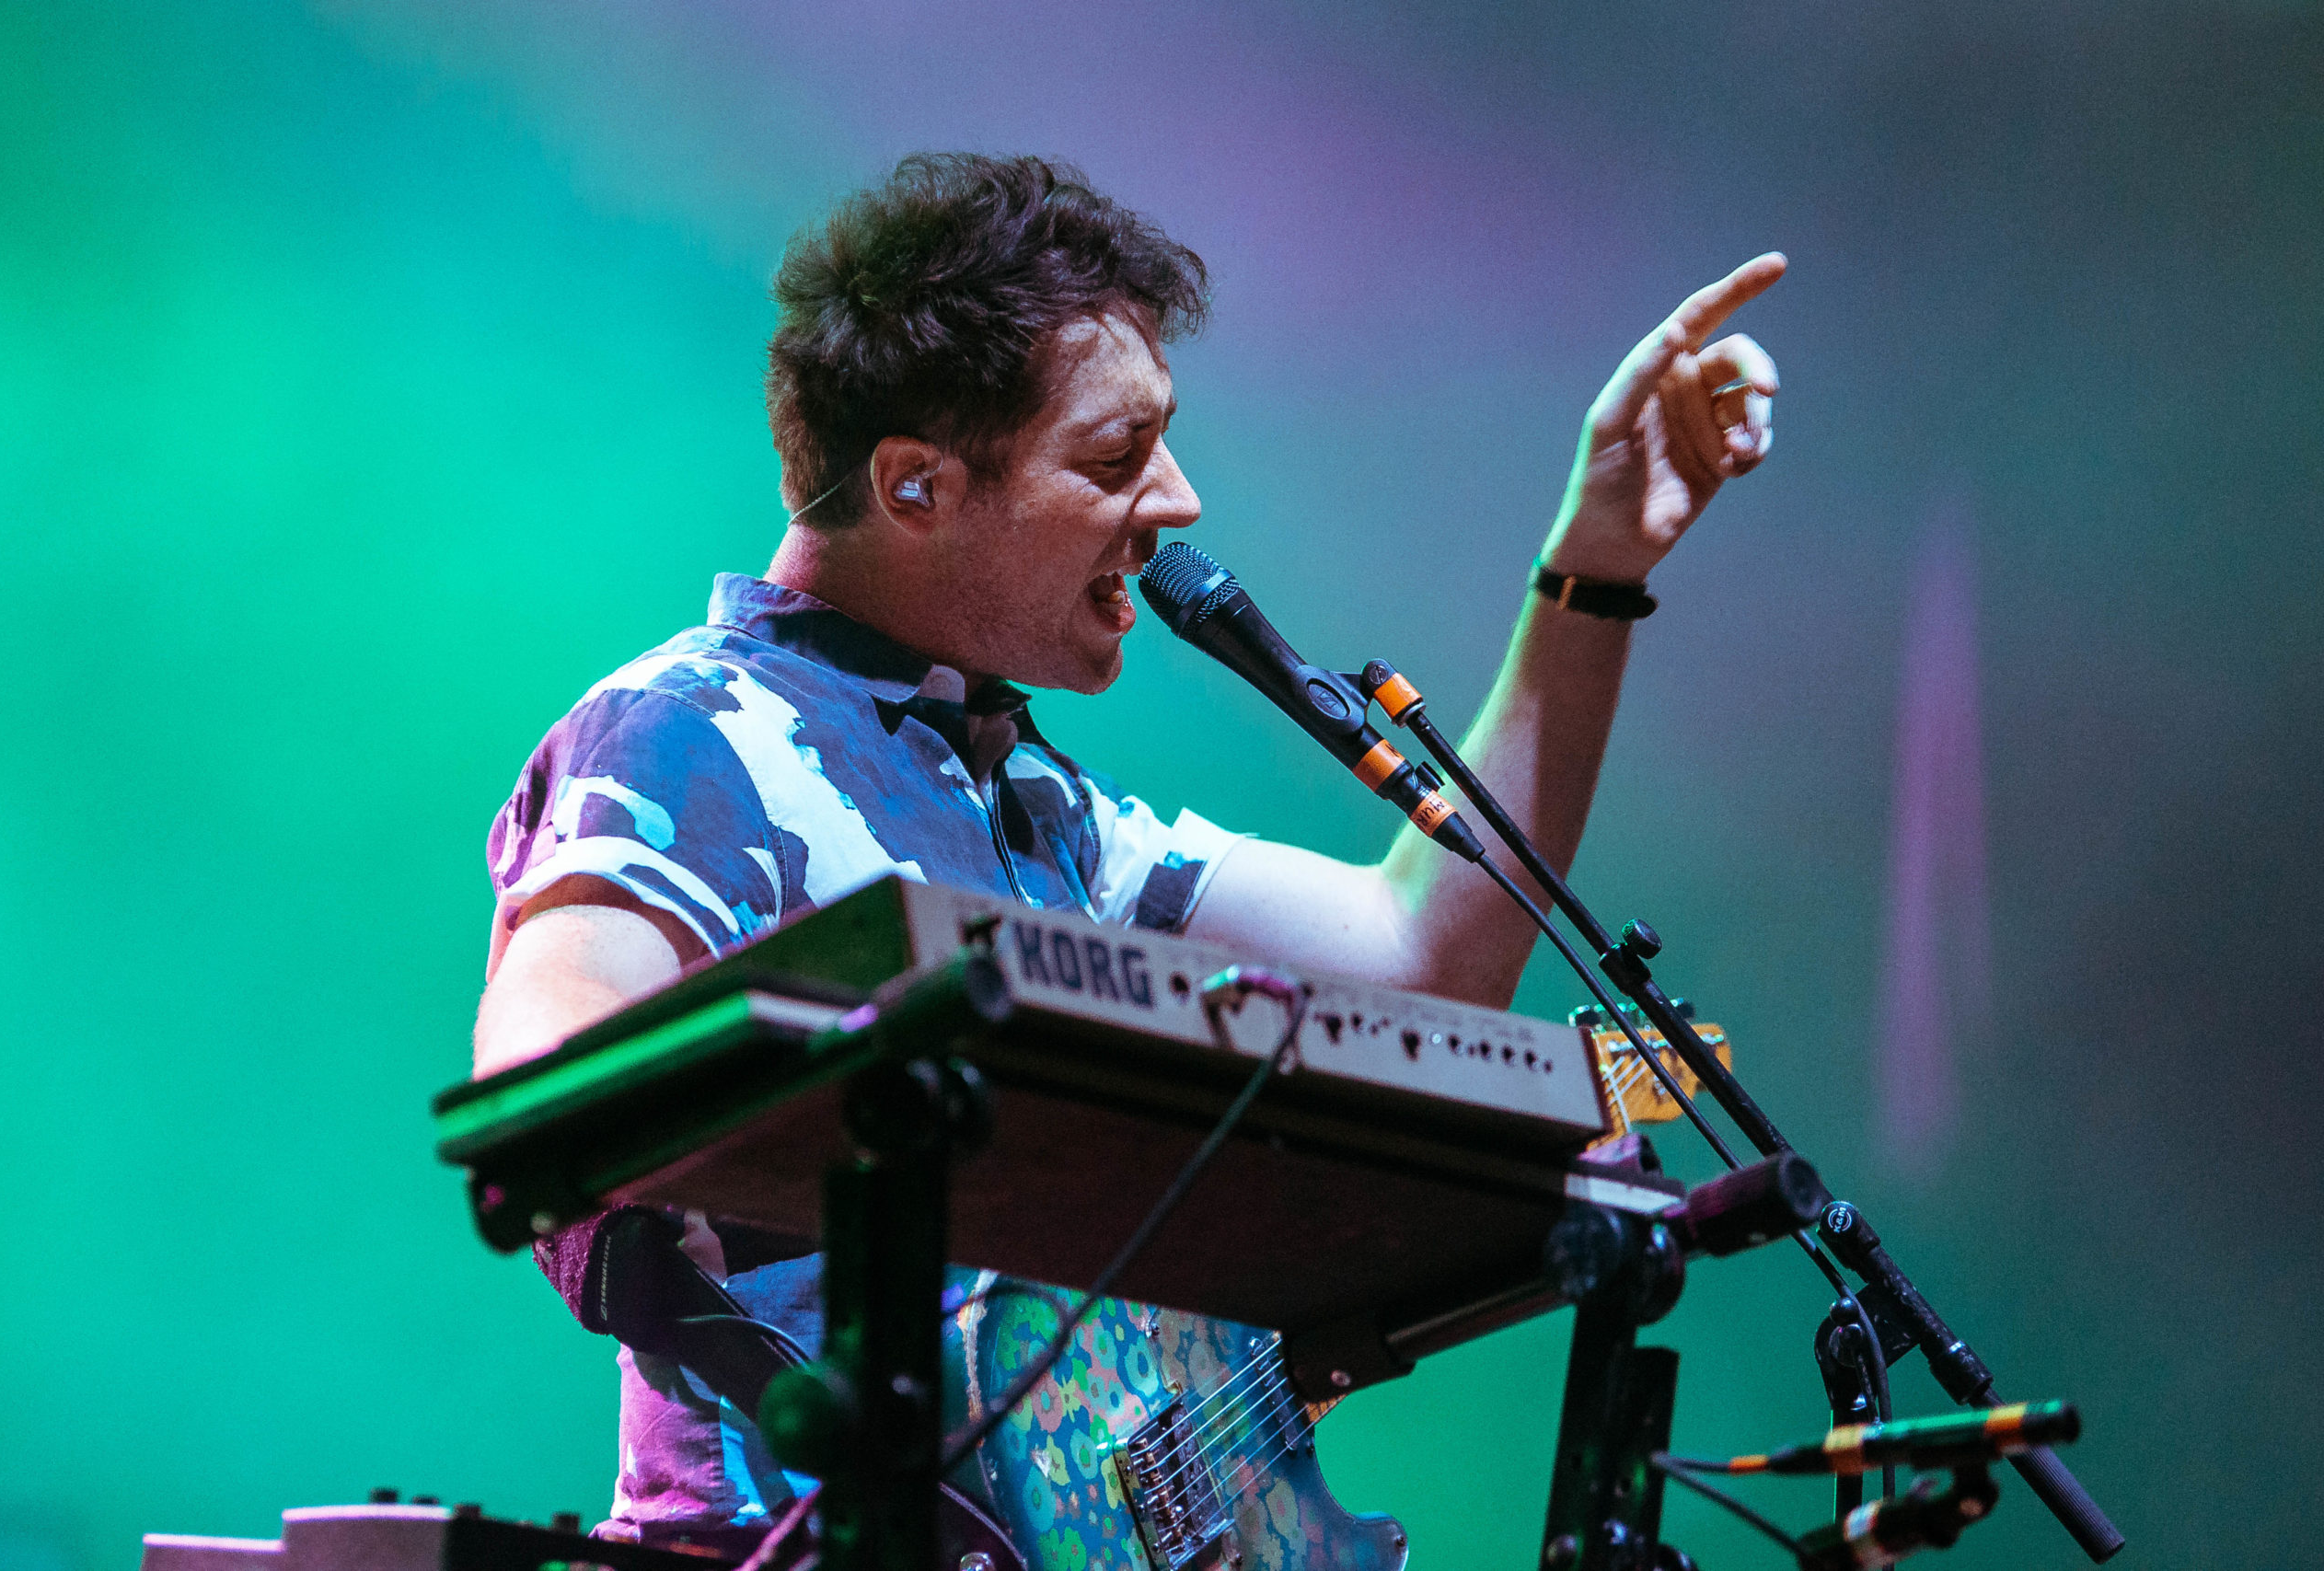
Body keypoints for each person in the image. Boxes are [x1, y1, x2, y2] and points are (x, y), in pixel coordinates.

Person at [473, 152, 1781, 1553]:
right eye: (1115, 457)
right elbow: (543, 1076)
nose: (1177, 502)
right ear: (915, 486)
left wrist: (1594, 571)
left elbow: (1425, 959)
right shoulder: (691, 732)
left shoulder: (1041, 805)